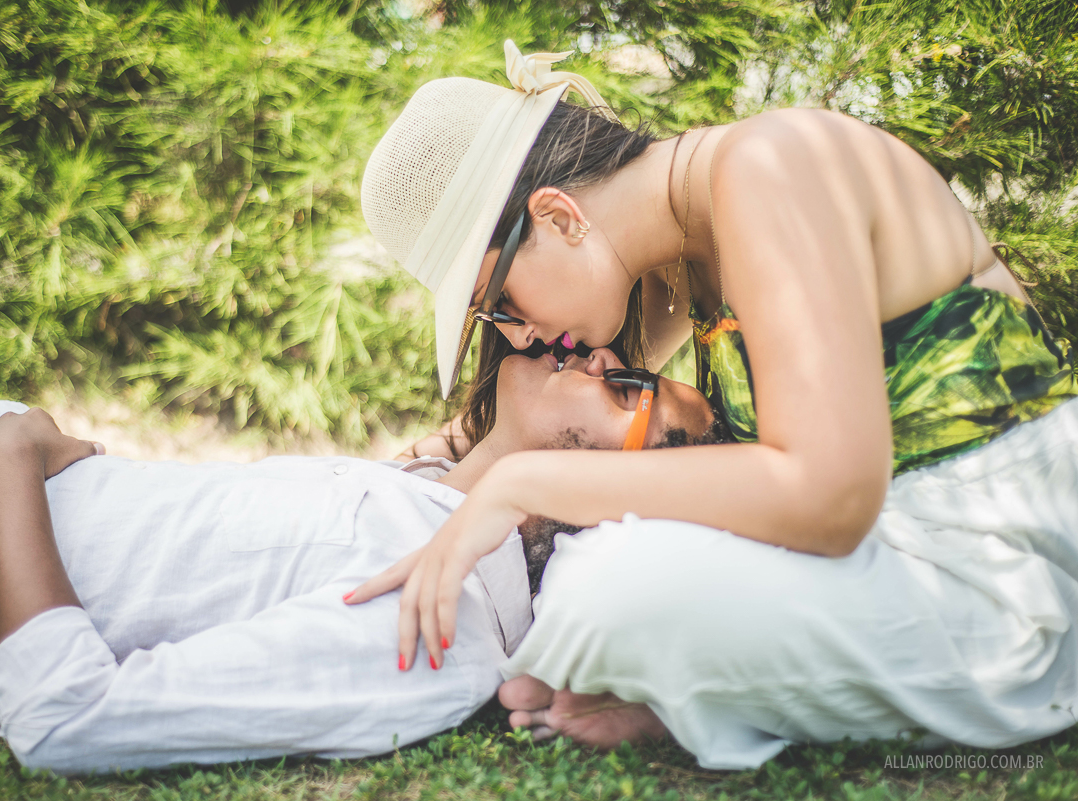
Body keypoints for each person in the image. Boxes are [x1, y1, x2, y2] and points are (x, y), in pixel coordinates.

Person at [350, 41, 1078, 767]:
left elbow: (828, 496)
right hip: (881, 555)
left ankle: (704, 689)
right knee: (590, 575)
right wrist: (402, 478)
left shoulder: (772, 169)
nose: (523, 335)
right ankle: (706, 690)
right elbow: (538, 408)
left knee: (604, 592)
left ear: (560, 216)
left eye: (500, 302)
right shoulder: (684, 239)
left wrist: (520, 484)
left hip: (1005, 573)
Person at [0, 191, 727, 772]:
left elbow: (64, 717)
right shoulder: (429, 496)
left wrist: (9, 461)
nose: (609, 354)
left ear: (619, 516)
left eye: (636, 393)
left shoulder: (444, 621)